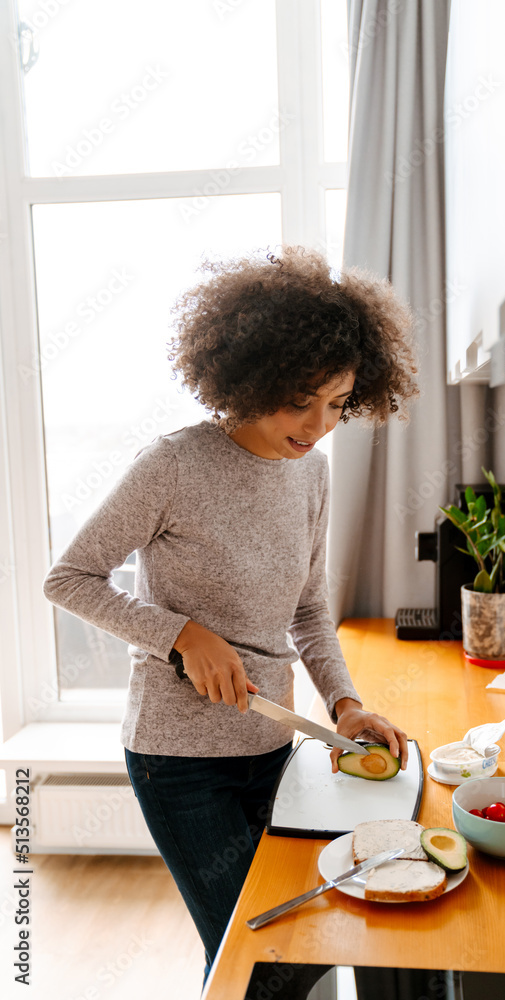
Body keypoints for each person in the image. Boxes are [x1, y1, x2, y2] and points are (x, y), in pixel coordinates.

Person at [43, 244, 420, 988]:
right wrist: (180, 634)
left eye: (339, 403)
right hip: (179, 763)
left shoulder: (309, 471)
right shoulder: (173, 465)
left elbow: (309, 610)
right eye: (299, 399)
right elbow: (69, 579)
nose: (318, 425)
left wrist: (344, 704)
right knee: (262, 955)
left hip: (272, 744)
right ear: (253, 379)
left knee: (288, 944)